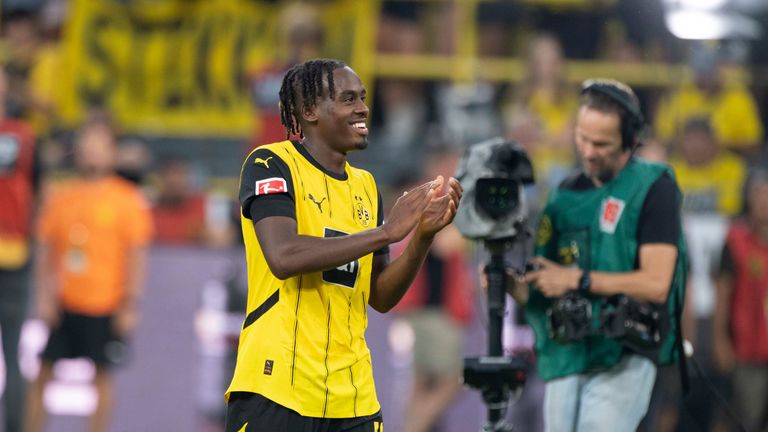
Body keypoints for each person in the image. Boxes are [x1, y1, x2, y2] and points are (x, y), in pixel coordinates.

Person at [223, 58, 462, 432]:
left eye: (363, 97)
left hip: (353, 396)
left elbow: (380, 295)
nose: (363, 108)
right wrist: (386, 232)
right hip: (277, 387)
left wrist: (422, 237)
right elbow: (283, 256)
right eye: (348, 99)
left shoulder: (366, 186)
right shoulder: (271, 162)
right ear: (310, 110)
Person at [505, 78, 687, 432]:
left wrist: (576, 279)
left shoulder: (654, 187)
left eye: (601, 143)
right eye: (582, 138)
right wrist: (513, 286)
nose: (588, 152)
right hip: (570, 349)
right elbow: (548, 288)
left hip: (625, 349)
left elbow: (656, 283)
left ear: (631, 140)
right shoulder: (564, 193)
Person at [25, 118, 153, 432]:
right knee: (42, 374)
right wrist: (44, 297)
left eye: (99, 143)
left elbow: (137, 255)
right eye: (87, 143)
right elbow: (45, 250)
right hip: (65, 301)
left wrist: (129, 304)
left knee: (102, 379)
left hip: (105, 303)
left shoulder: (128, 200)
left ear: (112, 152)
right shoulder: (61, 196)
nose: (91, 150)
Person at [0, 63, 39, 432]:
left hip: (15, 253)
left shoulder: (26, 134)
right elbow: (40, 194)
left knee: (14, 352)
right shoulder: (25, 135)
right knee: (13, 352)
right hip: (14, 251)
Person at [713, 169, 768, 432]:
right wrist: (720, 340)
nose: (764, 201)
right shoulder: (735, 241)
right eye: (759, 193)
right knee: (745, 417)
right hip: (747, 349)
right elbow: (723, 294)